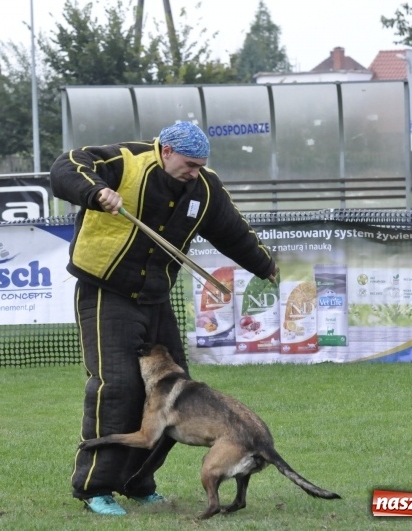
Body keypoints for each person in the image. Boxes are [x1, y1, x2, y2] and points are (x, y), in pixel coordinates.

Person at [49, 121, 279, 516]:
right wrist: (96, 191)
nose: (195, 172)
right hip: (106, 292)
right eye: (189, 164)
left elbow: (232, 230)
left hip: (155, 297)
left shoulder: (204, 188)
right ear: (166, 151)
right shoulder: (124, 161)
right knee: (118, 386)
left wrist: (265, 265)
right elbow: (66, 166)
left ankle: (138, 483)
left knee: (180, 395)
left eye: (201, 165)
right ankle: (94, 489)